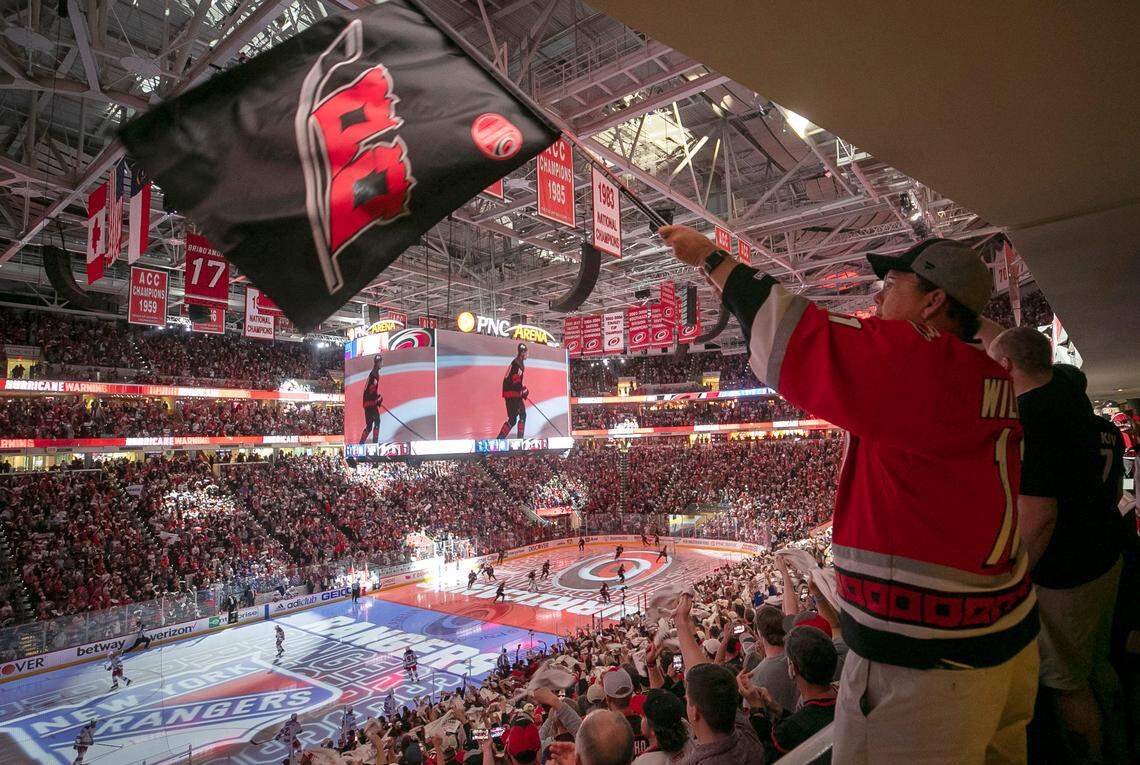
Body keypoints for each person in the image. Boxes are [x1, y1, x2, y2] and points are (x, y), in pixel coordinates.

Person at [660, 226, 1038, 763]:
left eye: (893, 282)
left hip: (931, 664)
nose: (878, 294)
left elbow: (804, 337)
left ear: (932, 303)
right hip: (1002, 629)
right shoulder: (983, 369)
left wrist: (710, 258)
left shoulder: (924, 360)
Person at [990, 327, 1123, 763]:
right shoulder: (1074, 403)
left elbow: (1039, 517)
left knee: (1067, 684)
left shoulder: (1033, 416)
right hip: (1103, 556)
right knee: (1097, 663)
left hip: (1066, 576)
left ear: (1007, 366)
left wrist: (1013, 579)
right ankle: (1122, 736)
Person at [741, 625, 838, 762]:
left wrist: (756, 709)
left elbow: (763, 757)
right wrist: (779, 710)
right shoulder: (852, 700)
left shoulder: (787, 734)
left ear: (793, 669)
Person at [632, 689, 689, 764]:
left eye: (643, 716)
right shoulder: (689, 738)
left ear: (653, 730)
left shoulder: (642, 762)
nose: (640, 717)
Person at [496, 343, 528, 439]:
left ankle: (499, 440)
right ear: (522, 352)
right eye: (526, 352)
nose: (527, 355)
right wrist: (523, 390)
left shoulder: (515, 362)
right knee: (523, 415)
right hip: (513, 394)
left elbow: (513, 379)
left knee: (512, 420)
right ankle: (520, 440)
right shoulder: (519, 364)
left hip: (508, 393)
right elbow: (515, 380)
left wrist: (522, 390)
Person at [359, 355, 383, 444]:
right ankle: (375, 443)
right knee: (377, 421)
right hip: (370, 402)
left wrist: (376, 398)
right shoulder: (375, 374)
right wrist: (376, 401)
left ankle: (361, 443)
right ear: (378, 363)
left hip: (366, 402)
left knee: (369, 426)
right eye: (381, 362)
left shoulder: (372, 373)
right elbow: (371, 389)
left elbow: (371, 389)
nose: (382, 364)